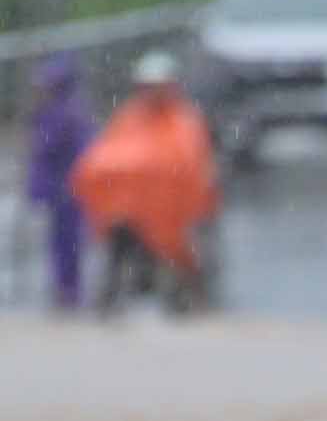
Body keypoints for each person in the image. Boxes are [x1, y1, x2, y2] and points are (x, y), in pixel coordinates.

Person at [70, 52, 219, 316]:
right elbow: (107, 155)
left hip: (174, 210)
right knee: (119, 248)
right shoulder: (130, 117)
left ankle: (189, 299)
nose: (154, 92)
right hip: (131, 209)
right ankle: (111, 299)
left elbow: (191, 162)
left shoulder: (184, 120)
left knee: (184, 252)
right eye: (149, 86)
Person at [26, 56, 94, 312]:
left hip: (69, 189)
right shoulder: (54, 112)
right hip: (60, 189)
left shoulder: (67, 113)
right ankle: (65, 290)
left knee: (68, 243)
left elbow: (55, 149)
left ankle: (69, 291)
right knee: (61, 242)